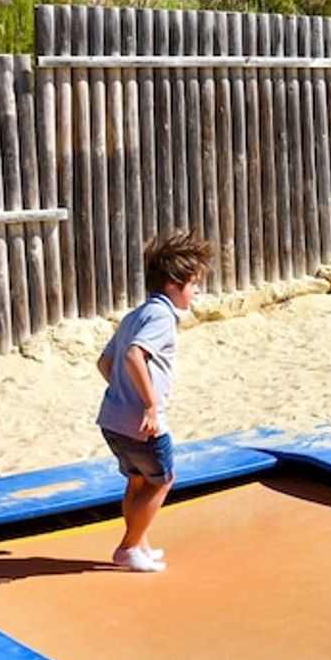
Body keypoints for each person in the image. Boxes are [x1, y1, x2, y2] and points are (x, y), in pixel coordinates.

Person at [95, 230, 212, 573]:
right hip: (143, 422)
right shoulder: (162, 318)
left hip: (113, 419)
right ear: (174, 284)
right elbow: (133, 355)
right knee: (163, 479)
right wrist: (146, 404)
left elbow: (105, 363)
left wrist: (123, 393)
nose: (196, 292)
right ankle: (128, 547)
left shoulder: (135, 315)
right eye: (194, 285)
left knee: (137, 481)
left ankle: (139, 543)